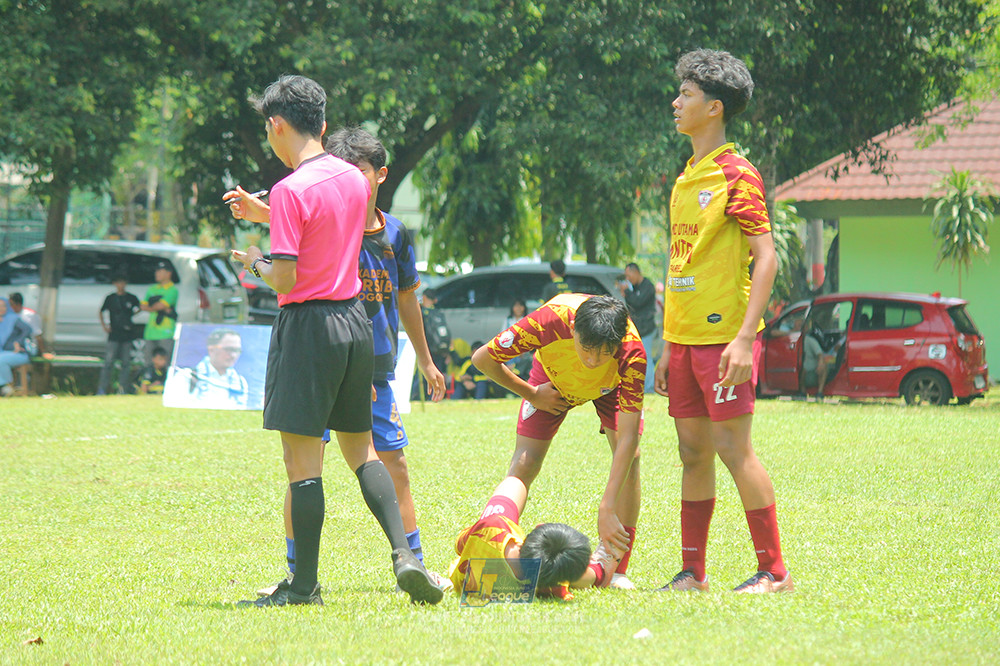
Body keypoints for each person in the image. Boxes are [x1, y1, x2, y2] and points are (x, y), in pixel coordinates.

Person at [227, 75, 442, 607]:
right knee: (363, 450)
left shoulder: (289, 188)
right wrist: (268, 212)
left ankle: (303, 586)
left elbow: (284, 278)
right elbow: (325, 223)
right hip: (355, 325)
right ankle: (405, 556)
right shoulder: (352, 178)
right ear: (321, 124)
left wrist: (252, 261)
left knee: (303, 462)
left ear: (278, 125)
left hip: (309, 328)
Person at [653, 49, 791, 594]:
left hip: (724, 340)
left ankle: (774, 571)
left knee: (735, 449)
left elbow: (767, 257)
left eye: (685, 95)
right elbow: (678, 260)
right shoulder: (688, 174)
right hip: (683, 341)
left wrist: (742, 339)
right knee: (692, 451)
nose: (675, 102)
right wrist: (668, 343)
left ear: (714, 108)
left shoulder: (738, 174)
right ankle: (693, 572)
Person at [471, 293, 646, 590]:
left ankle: (615, 568)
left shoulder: (632, 353)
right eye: (586, 348)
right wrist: (531, 393)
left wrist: (607, 507)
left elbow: (628, 437)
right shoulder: (548, 321)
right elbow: (483, 359)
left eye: (604, 353)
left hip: (609, 388)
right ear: (573, 329)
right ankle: (494, 536)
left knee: (632, 458)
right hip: (552, 382)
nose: (592, 361)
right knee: (525, 463)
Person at [449, 476, 624, 600]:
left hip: (466, 574)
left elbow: (460, 545)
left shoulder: (492, 529)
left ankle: (598, 571)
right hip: (534, 578)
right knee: (566, 566)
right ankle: (599, 571)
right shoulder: (552, 588)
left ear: (538, 530)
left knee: (514, 483)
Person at [168, 328, 250, 409]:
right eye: (228, 349)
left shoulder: (241, 383)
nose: (233, 355)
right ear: (211, 349)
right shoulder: (186, 377)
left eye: (237, 350)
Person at [618, 263, 660, 394]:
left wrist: (627, 293)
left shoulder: (647, 286)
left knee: (646, 358)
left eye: (629, 275)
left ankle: (649, 387)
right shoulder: (635, 288)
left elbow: (638, 302)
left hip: (647, 329)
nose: (628, 279)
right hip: (638, 329)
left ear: (636, 272)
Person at [97, 274, 141, 395]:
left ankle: (122, 389)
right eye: (118, 282)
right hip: (114, 333)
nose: (120, 285)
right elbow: (101, 311)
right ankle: (102, 389)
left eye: (123, 282)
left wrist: (129, 317)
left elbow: (139, 307)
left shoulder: (131, 298)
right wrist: (104, 326)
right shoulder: (111, 298)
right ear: (115, 284)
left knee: (126, 363)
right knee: (108, 362)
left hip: (127, 334)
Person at [140, 261, 179, 364]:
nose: (157, 274)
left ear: (168, 273)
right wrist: (156, 307)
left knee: (164, 362)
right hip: (150, 332)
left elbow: (161, 305)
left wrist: (153, 305)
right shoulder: (152, 288)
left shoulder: (172, 290)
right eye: (156, 271)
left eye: (160, 271)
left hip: (165, 332)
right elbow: (143, 306)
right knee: (149, 362)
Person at [0, 297, 34, 397]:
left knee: (0, 360)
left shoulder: (13, 319)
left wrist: (18, 342)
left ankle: (4, 385)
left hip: (18, 353)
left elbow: (27, 329)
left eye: (3, 306)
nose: (1, 308)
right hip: (3, 353)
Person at [8, 292, 47, 359]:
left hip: (28, 346)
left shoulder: (30, 315)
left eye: (11, 304)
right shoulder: (8, 315)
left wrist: (43, 352)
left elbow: (37, 335)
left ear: (18, 304)